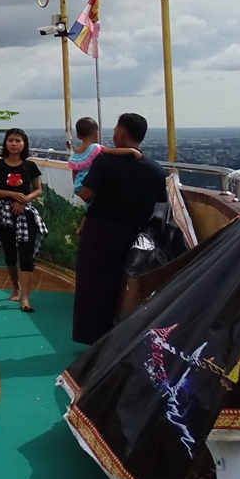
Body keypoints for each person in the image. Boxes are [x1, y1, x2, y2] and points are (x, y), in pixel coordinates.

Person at [72, 113, 164, 344]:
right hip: (132, 234)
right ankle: (118, 337)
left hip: (99, 231)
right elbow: (159, 204)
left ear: (121, 133)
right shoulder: (155, 170)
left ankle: (92, 337)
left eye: (115, 130)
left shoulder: (105, 162)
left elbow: (86, 195)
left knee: (92, 286)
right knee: (121, 287)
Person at [0, 128, 45, 312]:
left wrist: (24, 200)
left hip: (26, 214)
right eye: (11, 140)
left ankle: (25, 299)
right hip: (4, 213)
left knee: (26, 256)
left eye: (18, 140)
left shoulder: (30, 166)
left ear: (24, 144)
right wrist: (12, 195)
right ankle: (15, 287)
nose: (14, 144)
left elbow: (38, 189)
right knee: (9, 254)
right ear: (5, 143)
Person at [67, 116, 140, 195]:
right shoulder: (96, 148)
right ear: (96, 134)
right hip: (91, 183)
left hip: (79, 185)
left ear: (78, 136)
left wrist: (76, 187)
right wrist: (131, 150)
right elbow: (112, 151)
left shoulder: (75, 154)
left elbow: (75, 172)